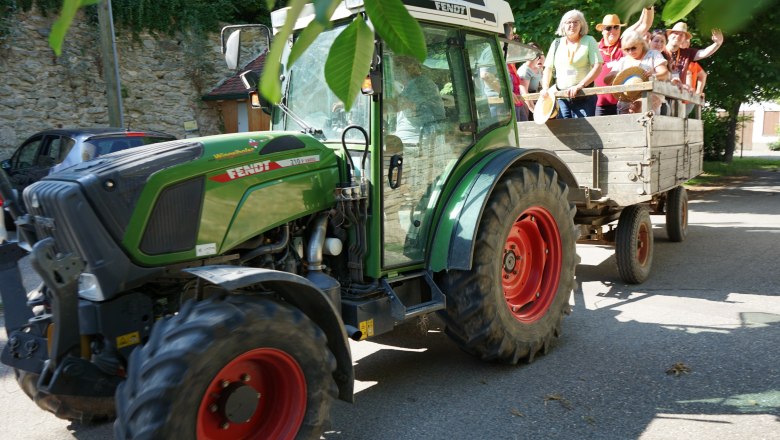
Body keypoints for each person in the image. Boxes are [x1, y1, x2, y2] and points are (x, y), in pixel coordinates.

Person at [539, 10, 603, 118]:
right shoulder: (556, 43)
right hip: (561, 97)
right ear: (563, 25)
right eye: (569, 22)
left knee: (583, 132)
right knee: (564, 132)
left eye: (576, 22)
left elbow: (598, 66)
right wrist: (545, 88)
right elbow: (548, 69)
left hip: (584, 96)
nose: (572, 25)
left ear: (581, 25)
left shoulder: (589, 40)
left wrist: (580, 85)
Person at [593, 7, 654, 116]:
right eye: (608, 28)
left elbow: (645, 24)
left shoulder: (625, 44)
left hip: (623, 101)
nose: (612, 31)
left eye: (616, 27)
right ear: (602, 31)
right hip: (600, 102)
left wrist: (648, 6)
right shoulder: (595, 48)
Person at [605, 30, 669, 114]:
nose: (631, 52)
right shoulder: (623, 60)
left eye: (633, 48)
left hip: (650, 97)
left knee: (636, 107)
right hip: (627, 100)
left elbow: (664, 73)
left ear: (641, 44)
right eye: (627, 49)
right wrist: (617, 74)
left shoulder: (653, 54)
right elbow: (606, 80)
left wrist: (654, 75)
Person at [391, 55, 446, 146]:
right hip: (417, 138)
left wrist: (382, 103)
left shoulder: (420, 84)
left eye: (396, 68)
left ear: (407, 69)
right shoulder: (411, 85)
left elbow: (405, 105)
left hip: (415, 141)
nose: (394, 73)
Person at [665, 22, 723, 88]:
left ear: (684, 39)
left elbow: (704, 53)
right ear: (669, 36)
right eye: (675, 33)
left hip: (677, 94)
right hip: (658, 90)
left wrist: (717, 44)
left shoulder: (687, 53)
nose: (678, 36)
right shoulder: (660, 49)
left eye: (681, 35)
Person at [518, 43, 544, 119]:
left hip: (538, 104)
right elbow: (525, 95)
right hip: (527, 108)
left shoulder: (539, 68)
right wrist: (536, 112)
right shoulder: (524, 71)